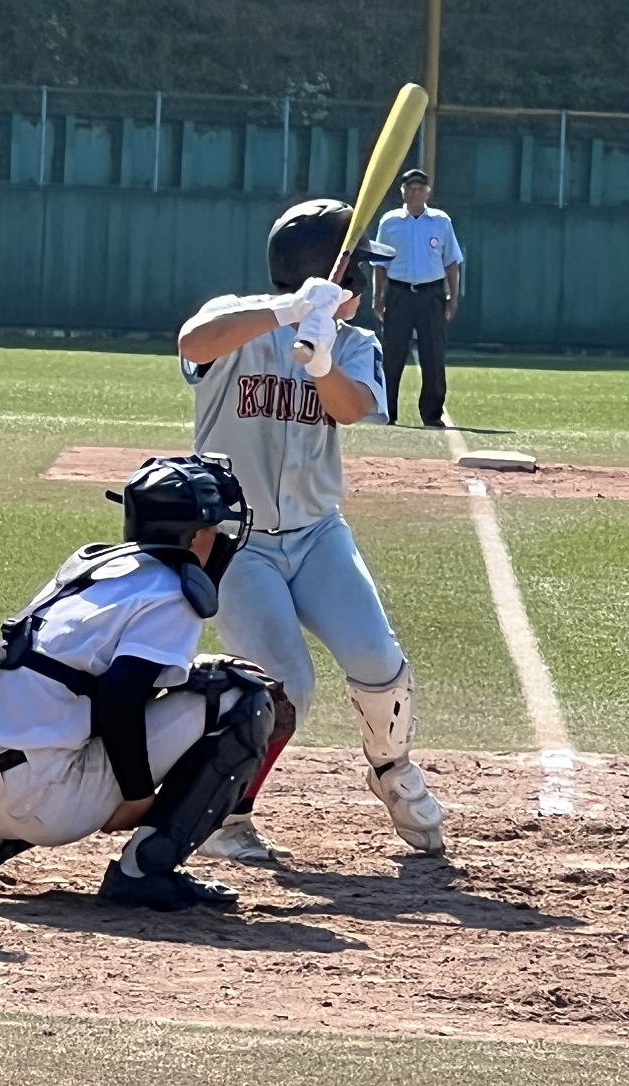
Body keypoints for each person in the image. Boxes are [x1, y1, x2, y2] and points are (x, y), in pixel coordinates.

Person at [175, 198, 446, 864]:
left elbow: (354, 410)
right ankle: (224, 814)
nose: (368, 283)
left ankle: (391, 769)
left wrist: (322, 362)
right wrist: (287, 310)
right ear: (328, 272)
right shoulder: (242, 322)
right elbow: (192, 342)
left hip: (318, 532)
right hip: (236, 542)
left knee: (378, 660)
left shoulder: (354, 343)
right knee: (284, 684)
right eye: (358, 270)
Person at [0, 455, 283, 912]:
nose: (221, 539)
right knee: (243, 697)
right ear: (196, 536)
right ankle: (144, 870)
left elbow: (87, 679)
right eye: (215, 528)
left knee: (65, 713)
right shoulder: (170, 591)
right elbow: (119, 698)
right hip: (47, 802)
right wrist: (137, 796)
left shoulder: (92, 570)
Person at [371, 169, 464, 428]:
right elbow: (380, 264)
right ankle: (387, 411)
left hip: (431, 294)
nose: (414, 193)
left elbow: (451, 262)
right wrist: (377, 296)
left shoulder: (440, 222)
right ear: (402, 192)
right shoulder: (389, 222)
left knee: (433, 354)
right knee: (392, 354)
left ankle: (432, 413)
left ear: (427, 192)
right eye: (409, 188)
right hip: (399, 293)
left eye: (419, 188)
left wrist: (452, 297)